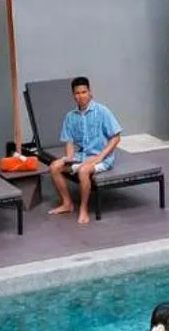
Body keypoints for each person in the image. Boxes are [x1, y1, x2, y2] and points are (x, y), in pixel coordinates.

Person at [48, 76, 121, 225]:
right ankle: (67, 203)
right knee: (54, 166)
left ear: (90, 92)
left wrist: (100, 157)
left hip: (101, 158)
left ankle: (83, 209)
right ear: (73, 95)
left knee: (83, 171)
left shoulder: (102, 111)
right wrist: (68, 157)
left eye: (84, 92)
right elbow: (68, 141)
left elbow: (116, 137)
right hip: (81, 156)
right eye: (77, 93)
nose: (81, 96)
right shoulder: (70, 117)